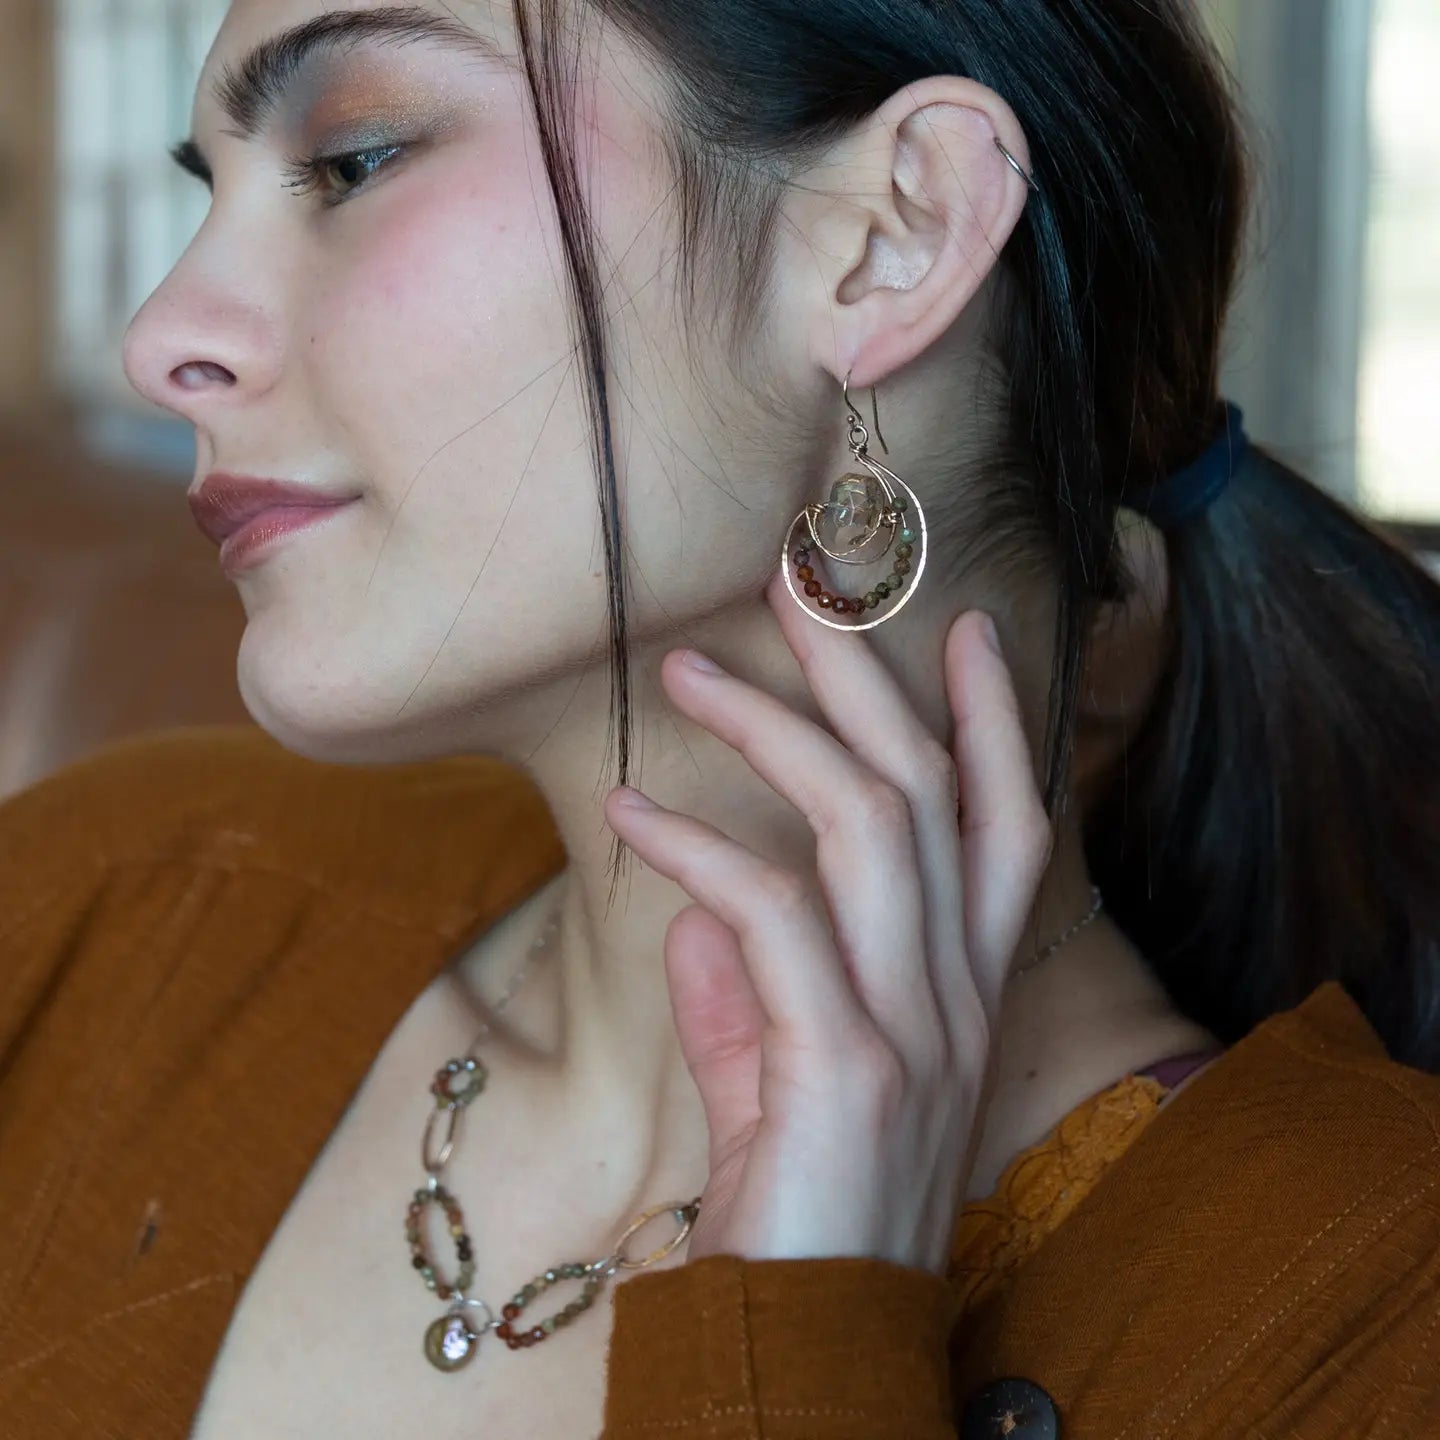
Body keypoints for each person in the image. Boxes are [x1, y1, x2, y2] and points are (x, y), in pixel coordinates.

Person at [1, 0, 1437, 1435]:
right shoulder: (106, 908)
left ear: (894, 233)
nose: (163, 337)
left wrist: (807, 1328)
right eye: (214, 192)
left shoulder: (1363, 1319)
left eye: (356, 160)